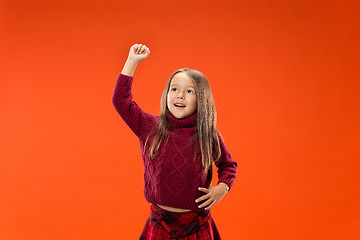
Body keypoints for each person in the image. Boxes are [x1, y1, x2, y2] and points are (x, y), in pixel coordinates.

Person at [111, 43, 238, 239]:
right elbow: (120, 100)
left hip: (197, 223)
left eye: (189, 91)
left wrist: (222, 187)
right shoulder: (149, 126)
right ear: (167, 94)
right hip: (159, 221)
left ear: (201, 99)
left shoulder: (207, 134)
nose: (180, 95)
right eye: (174, 89)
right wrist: (131, 61)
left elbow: (228, 165)